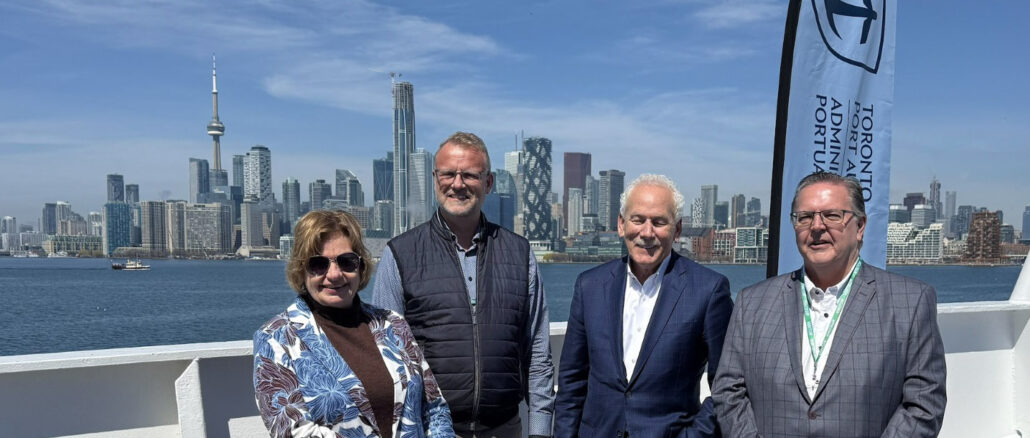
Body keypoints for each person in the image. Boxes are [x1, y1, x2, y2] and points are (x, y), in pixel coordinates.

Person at [712, 171, 947, 437]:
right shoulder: (752, 303)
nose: (816, 226)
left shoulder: (910, 303)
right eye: (805, 217)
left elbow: (924, 404)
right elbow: (728, 390)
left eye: (832, 215)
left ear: (860, 227)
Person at [372, 132, 555, 438]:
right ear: (435, 179)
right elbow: (386, 358)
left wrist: (540, 430)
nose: (457, 184)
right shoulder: (400, 254)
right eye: (448, 173)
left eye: (469, 174)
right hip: (429, 430)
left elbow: (537, 352)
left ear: (489, 183)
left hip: (504, 428)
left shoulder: (520, 253)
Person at [554, 174, 733, 438]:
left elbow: (726, 386)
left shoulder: (708, 290)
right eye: (638, 220)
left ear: (678, 229)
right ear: (621, 224)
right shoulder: (590, 286)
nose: (646, 232)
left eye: (659, 222)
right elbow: (571, 381)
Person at [253, 210, 453, 437]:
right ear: (302, 269)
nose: (334, 274)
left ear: (361, 266)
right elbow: (292, 431)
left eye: (346, 262)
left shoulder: (392, 324)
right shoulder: (276, 339)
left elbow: (434, 407)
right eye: (318, 264)